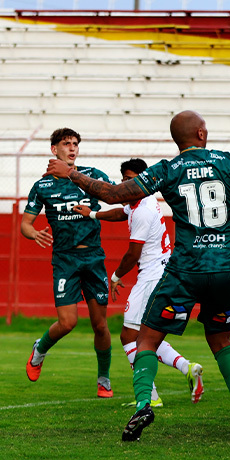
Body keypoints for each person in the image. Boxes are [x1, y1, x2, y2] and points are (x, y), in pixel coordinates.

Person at [45, 110, 230, 442]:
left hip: (185, 269)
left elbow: (113, 194)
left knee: (145, 340)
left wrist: (72, 174)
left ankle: (144, 404)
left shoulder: (168, 169)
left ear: (177, 139)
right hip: (225, 267)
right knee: (221, 341)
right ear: (201, 134)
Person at [73, 158, 204, 408]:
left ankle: (150, 396)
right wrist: (93, 214)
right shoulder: (141, 201)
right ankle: (187, 368)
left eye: (130, 179)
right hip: (160, 272)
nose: (125, 183)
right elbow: (120, 213)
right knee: (147, 336)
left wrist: (115, 277)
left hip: (151, 276)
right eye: (123, 179)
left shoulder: (143, 210)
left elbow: (133, 253)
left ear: (143, 181)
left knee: (128, 336)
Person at [23, 128, 116, 399]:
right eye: (66, 144)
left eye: (75, 143)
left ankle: (104, 379)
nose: (72, 148)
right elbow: (25, 224)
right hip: (65, 260)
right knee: (67, 323)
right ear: (55, 149)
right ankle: (40, 349)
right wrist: (34, 233)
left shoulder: (93, 176)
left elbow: (114, 196)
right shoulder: (42, 186)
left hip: (93, 257)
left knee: (100, 325)